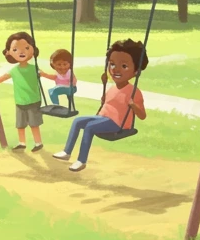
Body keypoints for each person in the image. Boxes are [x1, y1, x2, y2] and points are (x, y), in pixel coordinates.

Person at [53, 38, 147, 172]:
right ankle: (67, 152)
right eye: (112, 64)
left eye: (124, 66)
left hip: (118, 124)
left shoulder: (134, 92)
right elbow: (107, 103)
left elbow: (142, 116)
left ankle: (81, 160)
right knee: (77, 121)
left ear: (136, 71)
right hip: (104, 118)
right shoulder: (112, 88)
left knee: (89, 128)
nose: (116, 70)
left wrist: (133, 105)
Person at [0, 31, 44, 152]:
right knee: (20, 124)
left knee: (34, 123)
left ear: (33, 49)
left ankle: (38, 143)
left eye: (26, 48)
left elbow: (44, 75)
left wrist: (59, 78)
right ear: (8, 52)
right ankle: (22, 143)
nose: (21, 52)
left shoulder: (34, 68)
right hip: (20, 101)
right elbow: (3, 78)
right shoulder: (14, 70)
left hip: (33, 100)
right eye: (15, 50)